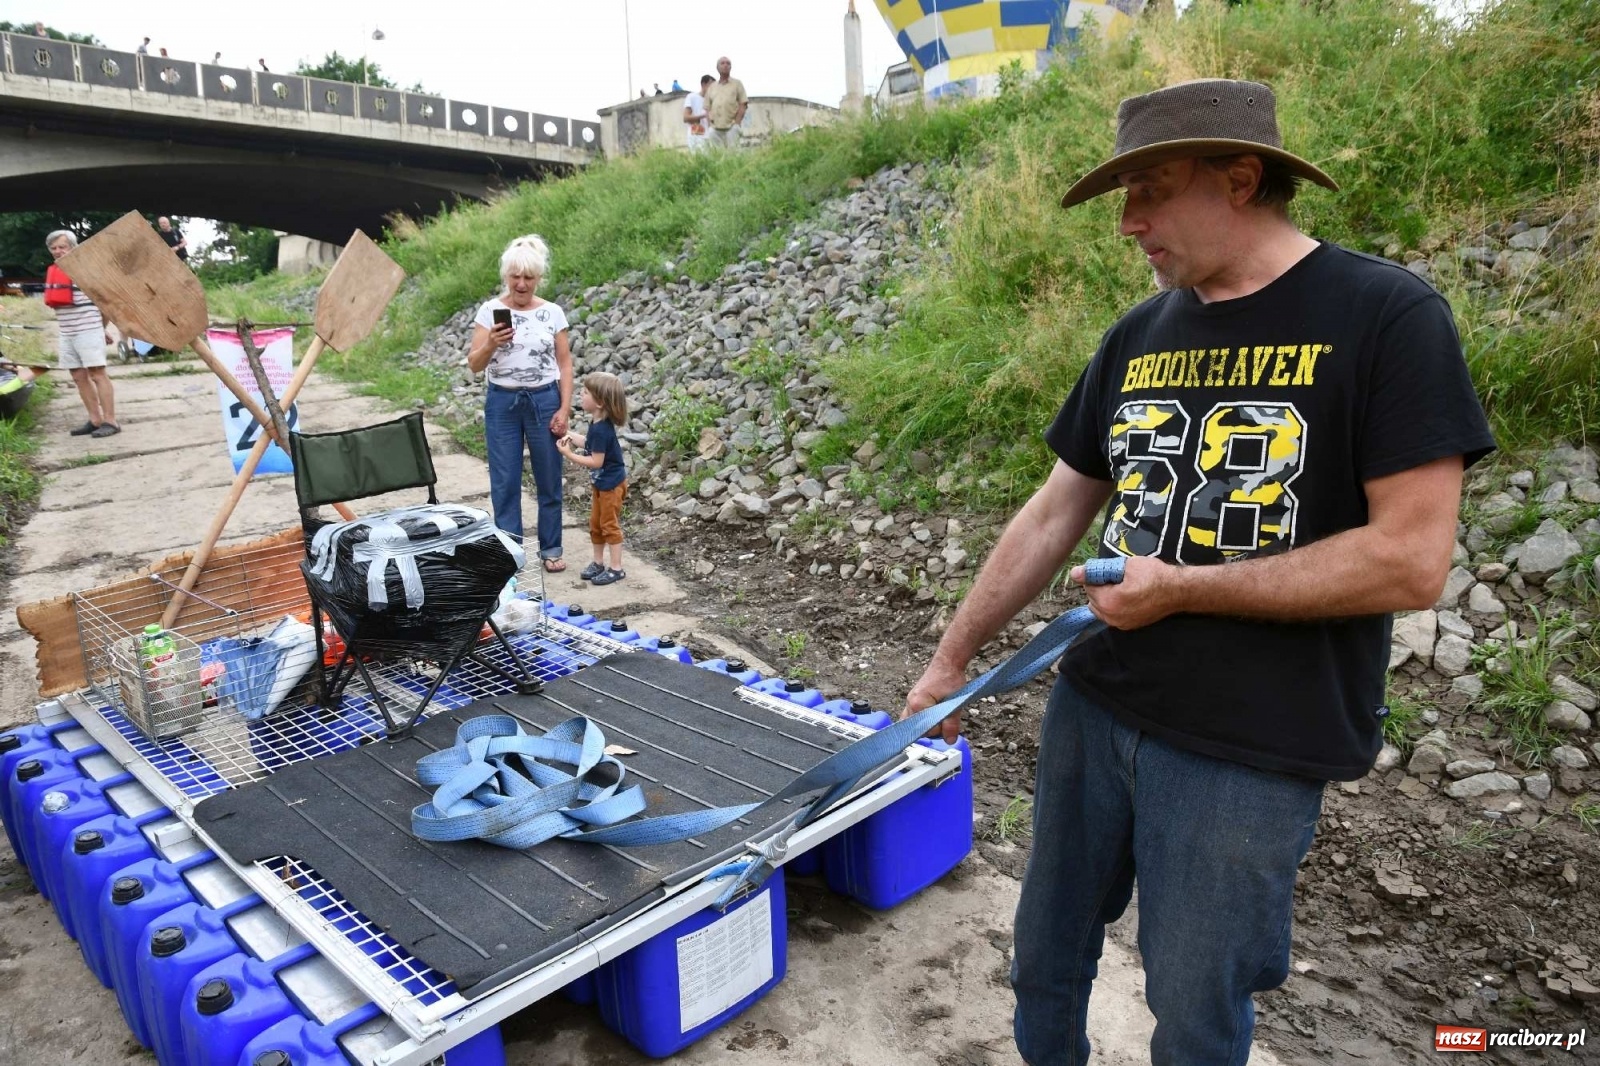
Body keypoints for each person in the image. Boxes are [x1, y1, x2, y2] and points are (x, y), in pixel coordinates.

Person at [902, 79, 1495, 1066]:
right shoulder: (1140, 333)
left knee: (1195, 1006)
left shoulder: (1386, 317)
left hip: (1247, 750)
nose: (1128, 224)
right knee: (1046, 957)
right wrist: (948, 663)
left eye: (1150, 191)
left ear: (1241, 177)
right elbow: (1057, 508)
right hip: (1094, 707)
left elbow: (1410, 559)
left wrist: (1181, 586)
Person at [466, 235, 573, 572]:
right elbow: (474, 363)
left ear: (539, 278)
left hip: (544, 399)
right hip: (503, 402)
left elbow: (565, 364)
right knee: (505, 479)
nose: (522, 284)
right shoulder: (489, 312)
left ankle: (551, 547)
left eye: (529, 277)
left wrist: (564, 408)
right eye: (516, 277)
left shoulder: (553, 313)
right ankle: (510, 551)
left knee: (549, 477)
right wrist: (492, 345)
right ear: (506, 276)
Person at [43, 231, 120, 438]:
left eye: (62, 246)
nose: (58, 251)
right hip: (67, 332)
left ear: (73, 247)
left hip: (88, 330)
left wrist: (101, 329)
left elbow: (105, 304)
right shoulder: (55, 271)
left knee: (97, 374)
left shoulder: (85, 271)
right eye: (54, 248)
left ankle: (110, 421)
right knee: (78, 376)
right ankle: (95, 419)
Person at [557, 372, 629, 586]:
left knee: (609, 525)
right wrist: (567, 433)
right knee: (596, 524)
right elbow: (589, 443)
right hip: (601, 484)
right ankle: (598, 562)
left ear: (599, 402)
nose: (581, 394)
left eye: (586, 392)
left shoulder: (602, 429)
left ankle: (616, 568)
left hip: (611, 485)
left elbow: (596, 461)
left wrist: (569, 455)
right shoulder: (597, 424)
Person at [704, 56, 747, 149]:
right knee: (716, 157)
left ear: (731, 67)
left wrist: (737, 123)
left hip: (731, 127)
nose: (725, 65)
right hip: (715, 129)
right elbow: (707, 107)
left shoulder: (737, 84)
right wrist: (710, 126)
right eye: (722, 63)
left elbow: (743, 104)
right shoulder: (712, 87)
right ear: (717, 67)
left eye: (728, 63)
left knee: (733, 156)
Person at [683, 74, 713, 152]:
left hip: (709, 137)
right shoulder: (692, 97)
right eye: (711, 85)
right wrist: (703, 116)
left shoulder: (712, 101)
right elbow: (685, 118)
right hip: (695, 136)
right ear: (703, 84)